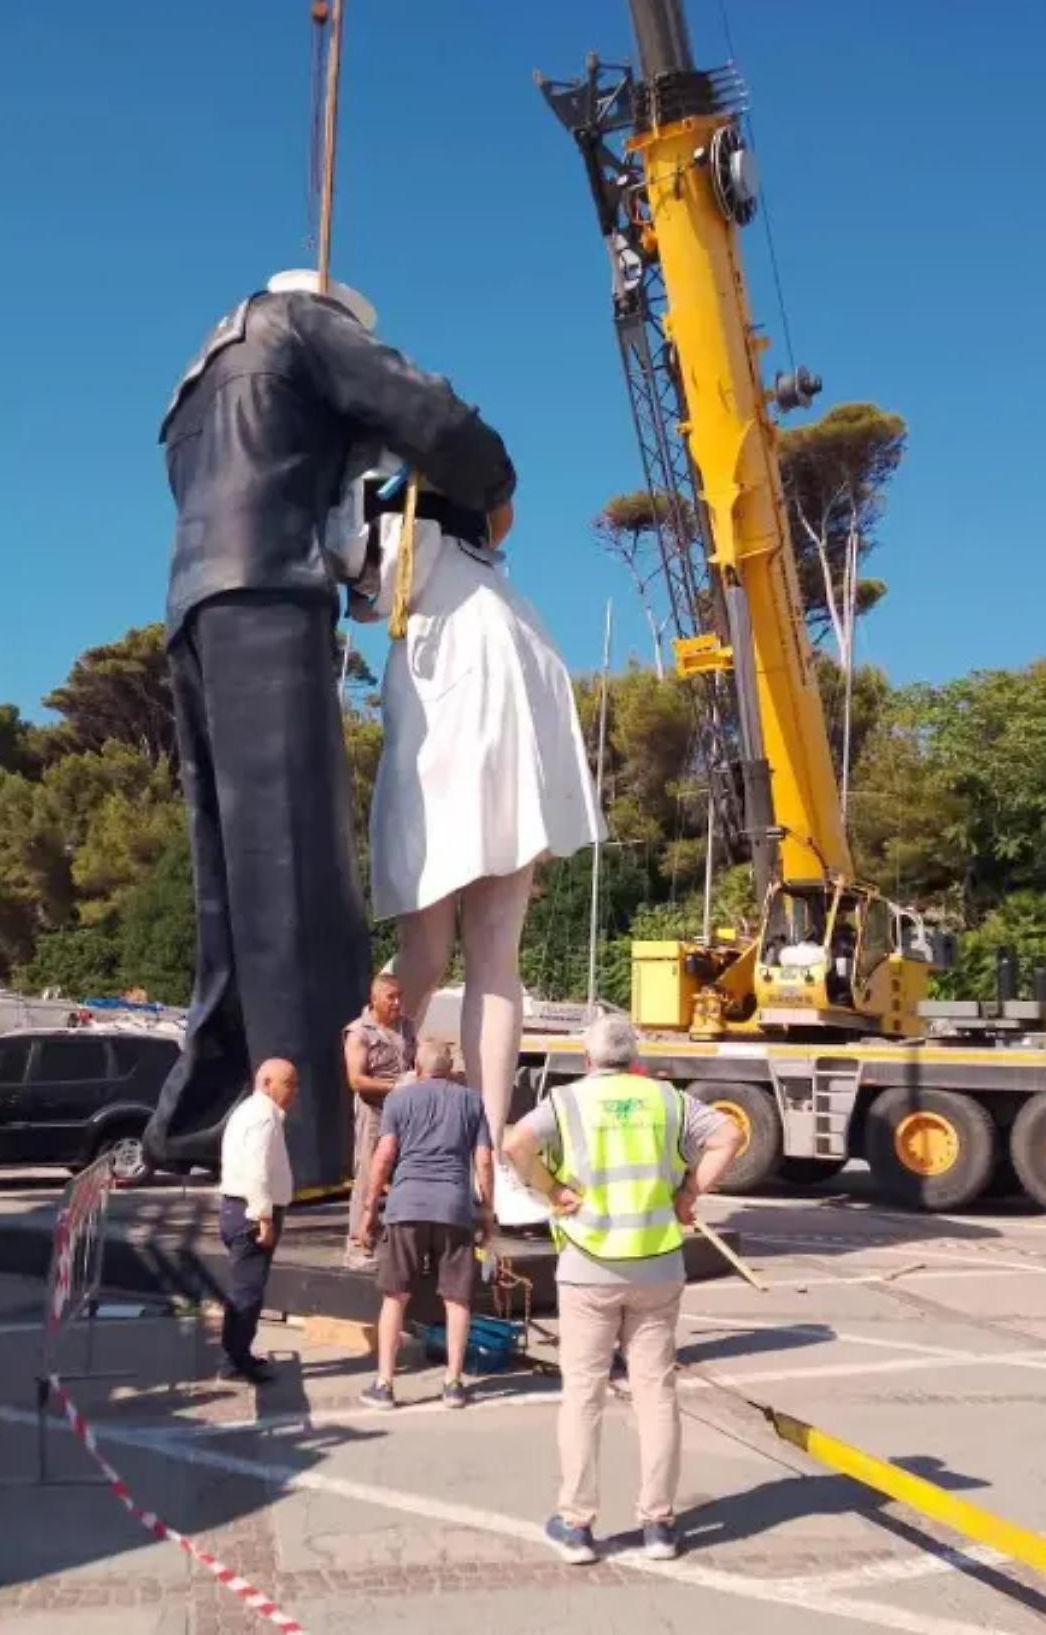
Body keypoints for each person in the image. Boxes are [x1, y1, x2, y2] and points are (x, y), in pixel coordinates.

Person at [144, 268, 515, 1191]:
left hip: (194, 604)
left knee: (231, 892)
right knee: (298, 875)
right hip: (269, 596)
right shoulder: (300, 324)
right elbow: (429, 415)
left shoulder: (196, 382)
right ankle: (311, 1150)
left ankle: (206, 1117)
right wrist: (491, 480)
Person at [354, 477, 603, 1223]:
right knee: (475, 958)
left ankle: (455, 1144)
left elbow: (364, 579)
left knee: (444, 955)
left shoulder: (415, 549)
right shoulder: (501, 592)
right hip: (497, 721)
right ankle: (471, 1145)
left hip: (462, 730)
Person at [503, 1015, 741, 1565]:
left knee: (583, 1394)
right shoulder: (667, 1100)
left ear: (587, 1059)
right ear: (635, 1058)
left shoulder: (567, 1102)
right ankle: (659, 1523)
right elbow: (728, 1135)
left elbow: (516, 1143)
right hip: (657, 1265)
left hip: (589, 1265)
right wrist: (690, 1193)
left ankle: (577, 1525)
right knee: (655, 1394)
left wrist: (552, 1190)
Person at [357, 1038, 494, 1410]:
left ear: (417, 1068)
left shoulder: (399, 1100)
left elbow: (384, 1156)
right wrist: (487, 1211)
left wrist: (370, 1209)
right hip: (454, 1208)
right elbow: (483, 1159)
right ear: (450, 1070)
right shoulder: (471, 1101)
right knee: (457, 1299)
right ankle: (453, 1383)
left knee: (395, 1296)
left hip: (406, 1206)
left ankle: (384, 1384)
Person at [217, 1057, 299, 1385]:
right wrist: (264, 1217)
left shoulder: (251, 1112)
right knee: (247, 1294)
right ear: (266, 1083)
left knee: (245, 1290)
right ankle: (235, 1362)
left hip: (239, 1210)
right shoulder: (263, 1117)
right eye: (289, 1083)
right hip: (250, 1214)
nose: (294, 1091)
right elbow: (256, 1171)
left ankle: (237, 1355)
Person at [343, 971, 417, 1269]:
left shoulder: (407, 1026)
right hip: (374, 1112)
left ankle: (399, 1246)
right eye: (391, 997)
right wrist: (395, 1086)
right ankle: (357, 1245)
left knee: (407, 1177)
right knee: (367, 1178)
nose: (397, 1003)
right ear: (374, 999)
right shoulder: (359, 1033)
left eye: (400, 996)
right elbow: (356, 1080)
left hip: (406, 1113)